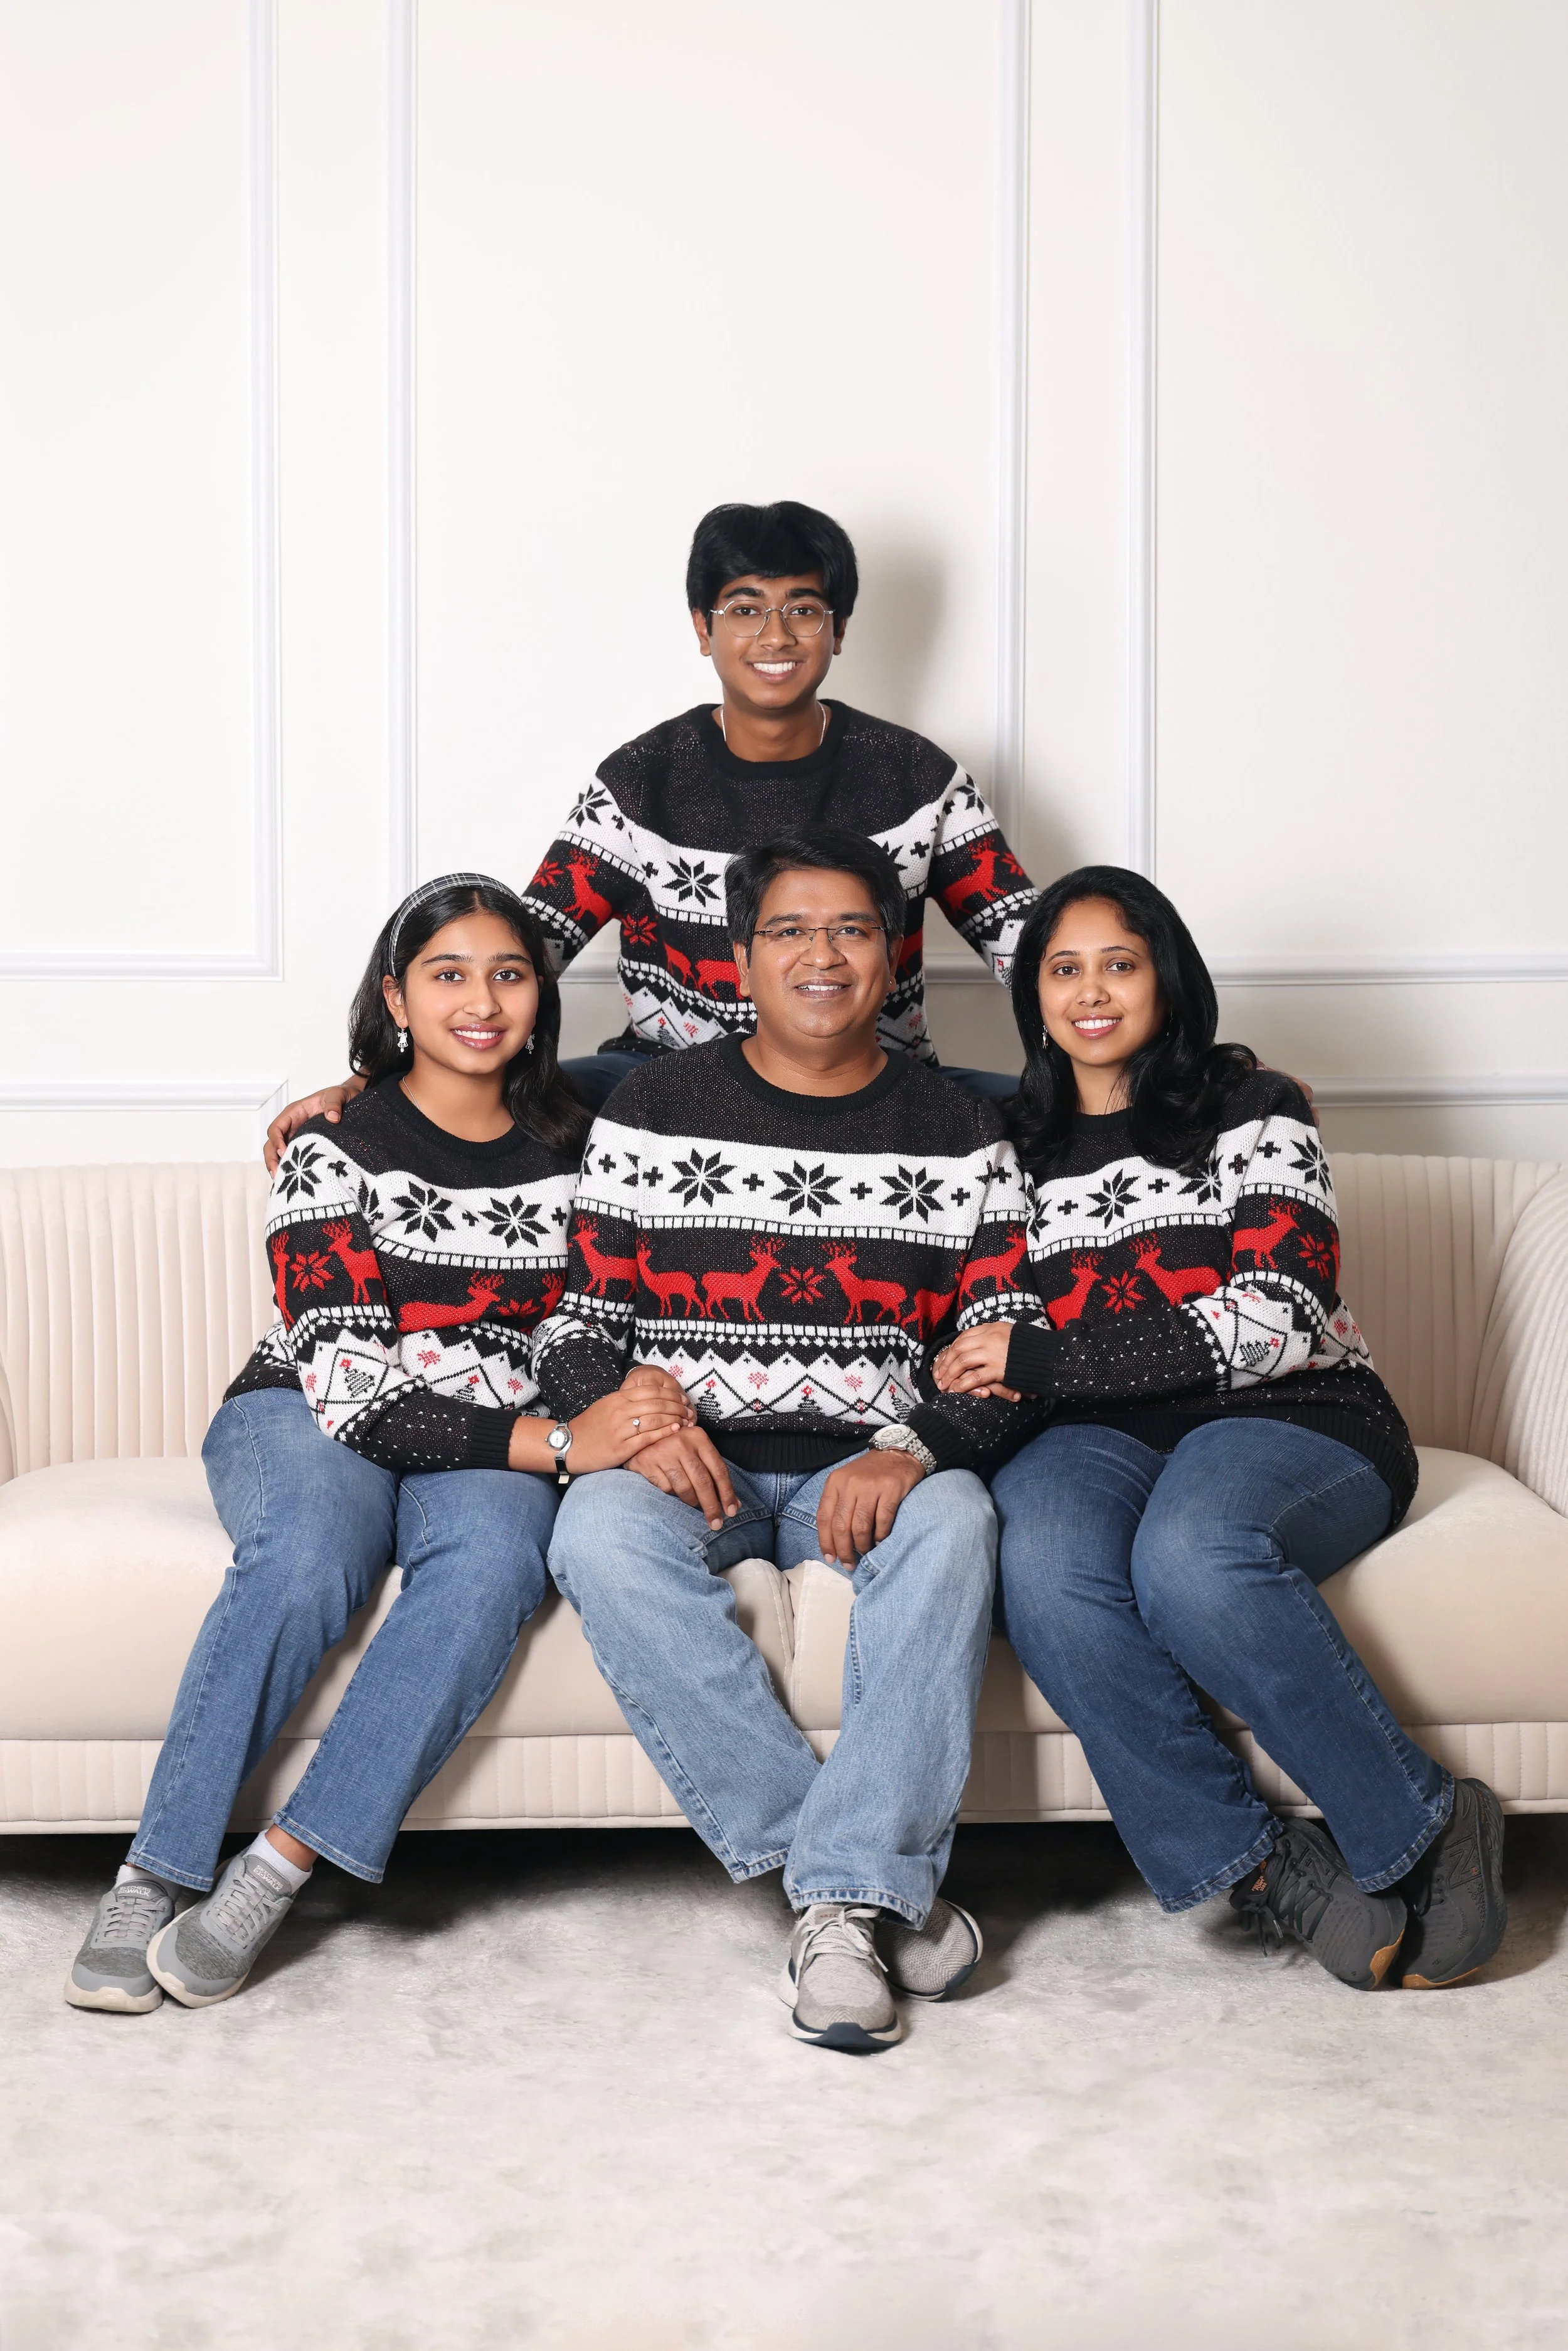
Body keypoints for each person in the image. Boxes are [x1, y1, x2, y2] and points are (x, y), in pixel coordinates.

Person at [66, 876, 689, 2015]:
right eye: (449, 975)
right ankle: (154, 1871)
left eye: (509, 973)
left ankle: (280, 1866)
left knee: (498, 1565)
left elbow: (579, 1320)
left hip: (491, 1426)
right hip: (309, 1408)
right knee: (309, 1554)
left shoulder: (583, 1147)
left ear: (541, 995)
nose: (483, 1001)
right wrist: (560, 1441)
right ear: (397, 996)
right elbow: (351, 1389)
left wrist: (595, 1409)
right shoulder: (333, 1144)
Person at [934, 867, 1507, 1993]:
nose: (1091, 991)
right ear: (1032, 996)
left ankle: (1432, 1821)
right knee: (1042, 1562)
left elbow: (1278, 1316)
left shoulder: (1255, 1107)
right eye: (1063, 968)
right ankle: (1256, 1867)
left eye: (1119, 962)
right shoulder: (1007, 1144)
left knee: (1192, 1555)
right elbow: (994, 1320)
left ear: (1167, 978)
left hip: (1294, 1410)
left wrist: (1048, 1354)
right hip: (1093, 1430)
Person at [536, 824, 1041, 2052]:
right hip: (690, 1461)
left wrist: (912, 1444)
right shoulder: (654, 1105)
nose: (822, 953)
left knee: (961, 1510)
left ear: (892, 953)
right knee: (593, 1527)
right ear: (741, 958)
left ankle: (835, 1897)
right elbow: (575, 1327)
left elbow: (1008, 1344)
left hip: (857, 1467)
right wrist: (634, 1418)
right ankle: (853, 1887)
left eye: (852, 929)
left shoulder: (959, 1131)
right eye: (789, 930)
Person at [262, 499, 1034, 1168]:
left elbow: (1029, 950)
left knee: (1060, 1126)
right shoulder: (643, 779)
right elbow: (522, 953)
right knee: (477, 1113)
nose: (775, 635)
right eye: (743, 608)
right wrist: (375, 1084)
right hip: (666, 1079)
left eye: (802, 608)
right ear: (703, 628)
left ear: (839, 631)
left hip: (873, 1076)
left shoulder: (914, 776)